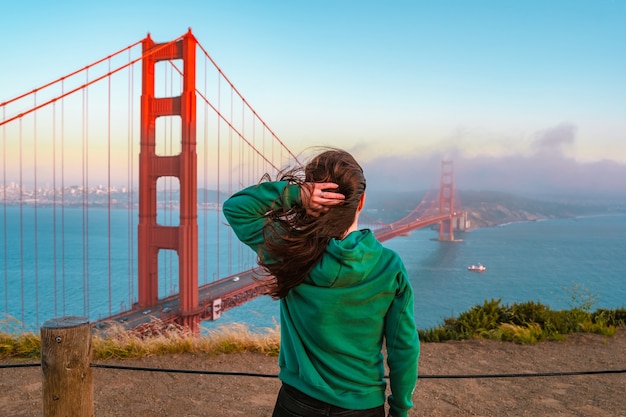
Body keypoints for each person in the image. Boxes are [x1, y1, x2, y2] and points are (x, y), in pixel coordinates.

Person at [223, 148, 420, 417]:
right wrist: (399, 410)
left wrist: (297, 195)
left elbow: (236, 208)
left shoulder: (288, 250)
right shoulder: (389, 266)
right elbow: (403, 348)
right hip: (362, 406)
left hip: (297, 403)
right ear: (360, 202)